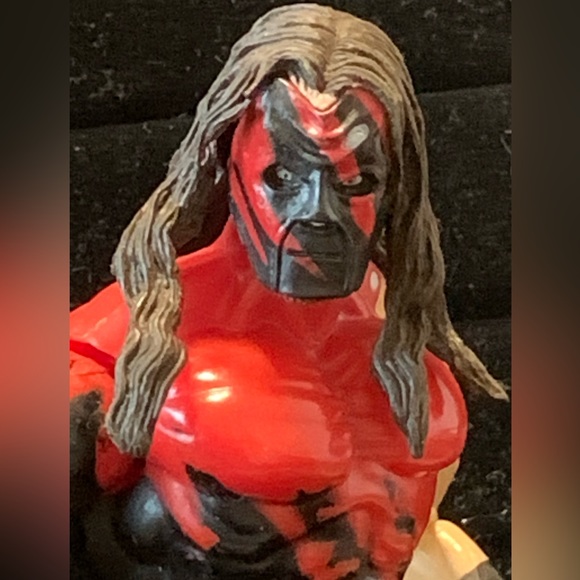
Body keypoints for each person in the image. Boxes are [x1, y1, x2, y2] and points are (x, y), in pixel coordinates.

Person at [70, 4, 506, 579]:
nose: (318, 214)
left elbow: (421, 535)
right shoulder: (128, 347)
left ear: (397, 183)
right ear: (226, 158)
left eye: (355, 181)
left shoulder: (399, 336)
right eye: (283, 176)